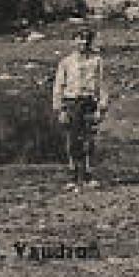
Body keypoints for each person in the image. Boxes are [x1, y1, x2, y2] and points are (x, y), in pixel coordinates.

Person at [52, 25, 108, 189]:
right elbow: (58, 86)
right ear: (73, 41)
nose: (83, 42)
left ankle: (89, 174)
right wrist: (60, 109)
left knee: (89, 139)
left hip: (89, 102)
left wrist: (101, 107)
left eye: (86, 39)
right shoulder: (66, 62)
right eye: (79, 39)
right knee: (72, 140)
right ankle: (73, 175)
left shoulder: (97, 61)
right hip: (71, 102)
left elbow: (102, 84)